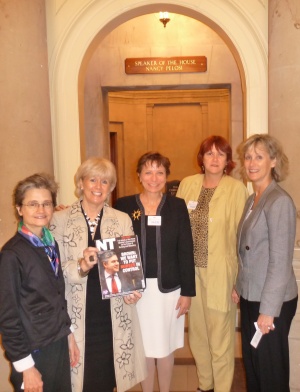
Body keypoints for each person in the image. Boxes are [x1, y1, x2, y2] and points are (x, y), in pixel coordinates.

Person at [50, 157, 146, 392]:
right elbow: (52, 274)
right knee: (79, 379)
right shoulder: (59, 220)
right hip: (76, 314)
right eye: (92, 179)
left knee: (107, 377)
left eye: (105, 182)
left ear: (111, 187)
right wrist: (81, 266)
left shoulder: (121, 220)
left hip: (112, 315)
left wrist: (132, 291)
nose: (98, 186)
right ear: (81, 183)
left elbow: (129, 267)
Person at [115, 152, 196, 392]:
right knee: (144, 348)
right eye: (148, 172)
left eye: (160, 172)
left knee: (165, 347)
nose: (154, 177)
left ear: (166, 177)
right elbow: (113, 241)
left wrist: (188, 292)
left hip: (169, 289)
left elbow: (185, 249)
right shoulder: (124, 205)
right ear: (139, 175)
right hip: (136, 290)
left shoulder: (177, 206)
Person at [176, 135, 248, 392]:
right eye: (210, 153)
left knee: (220, 339)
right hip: (191, 274)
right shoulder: (187, 184)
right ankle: (204, 386)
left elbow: (243, 238)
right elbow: (176, 228)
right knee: (197, 337)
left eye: (221, 154)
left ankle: (222, 388)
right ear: (202, 158)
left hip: (221, 274)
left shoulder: (236, 189)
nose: (215, 159)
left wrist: (238, 281)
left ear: (228, 160)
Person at [0, 173, 79, 392]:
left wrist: (68, 333)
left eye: (46, 204)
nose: (41, 210)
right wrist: (26, 367)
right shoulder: (11, 255)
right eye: (33, 204)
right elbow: (8, 317)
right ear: (19, 209)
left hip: (57, 342)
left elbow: (56, 295)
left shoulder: (49, 243)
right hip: (33, 351)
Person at [232, 134, 298, 392]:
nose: (251, 162)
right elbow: (248, 251)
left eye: (259, 157)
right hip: (251, 295)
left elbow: (280, 261)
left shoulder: (279, 201)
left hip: (273, 301)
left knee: (270, 370)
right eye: (248, 157)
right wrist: (239, 285)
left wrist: (269, 309)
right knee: (254, 365)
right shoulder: (253, 199)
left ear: (273, 161)